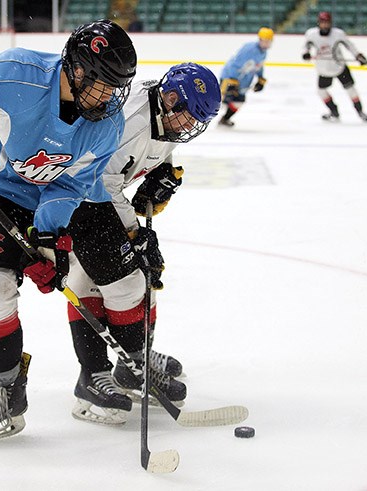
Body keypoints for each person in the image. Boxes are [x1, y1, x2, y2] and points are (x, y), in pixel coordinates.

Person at [0, 19, 137, 444]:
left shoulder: (108, 123)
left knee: (86, 277)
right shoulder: (23, 76)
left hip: (51, 201)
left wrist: (47, 242)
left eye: (116, 87)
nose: (108, 97)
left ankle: (94, 372)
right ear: (76, 68)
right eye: (102, 83)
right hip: (0, 192)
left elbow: (73, 184)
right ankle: (8, 390)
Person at [67, 62, 221, 425]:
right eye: (189, 117)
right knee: (99, 281)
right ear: (169, 99)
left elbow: (152, 150)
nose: (190, 127)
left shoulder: (164, 112)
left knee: (142, 277)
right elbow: (103, 182)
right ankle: (94, 377)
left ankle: (132, 360)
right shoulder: (131, 119)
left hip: (97, 197)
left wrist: (161, 172)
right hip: (72, 195)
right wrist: (133, 232)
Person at [302, 11, 367, 122]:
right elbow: (306, 46)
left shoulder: (338, 34)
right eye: (322, 22)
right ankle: (334, 112)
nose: (325, 25)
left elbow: (350, 46)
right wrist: (305, 54)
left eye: (327, 22)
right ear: (318, 23)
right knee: (321, 91)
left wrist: (358, 55)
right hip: (323, 69)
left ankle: (360, 112)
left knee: (351, 90)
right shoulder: (311, 34)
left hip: (339, 67)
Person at [218, 27, 273, 127]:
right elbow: (235, 64)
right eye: (265, 41)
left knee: (238, 102)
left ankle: (224, 119)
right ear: (260, 39)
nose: (267, 43)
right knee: (219, 101)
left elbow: (258, 66)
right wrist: (232, 80)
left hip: (243, 82)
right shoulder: (249, 49)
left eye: (269, 41)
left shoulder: (263, 52)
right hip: (229, 78)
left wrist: (260, 79)